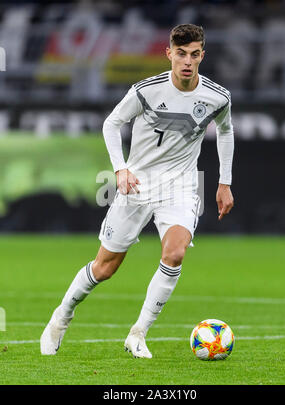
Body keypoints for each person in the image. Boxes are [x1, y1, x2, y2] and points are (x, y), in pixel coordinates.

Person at [40, 23, 234, 358]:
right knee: (105, 267)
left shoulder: (217, 97)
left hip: (181, 187)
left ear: (202, 55)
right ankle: (62, 315)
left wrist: (224, 181)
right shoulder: (147, 90)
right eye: (181, 53)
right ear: (169, 53)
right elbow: (112, 123)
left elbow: (226, 131)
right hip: (138, 185)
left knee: (174, 254)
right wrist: (120, 168)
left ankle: (138, 333)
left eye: (194, 54)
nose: (187, 61)